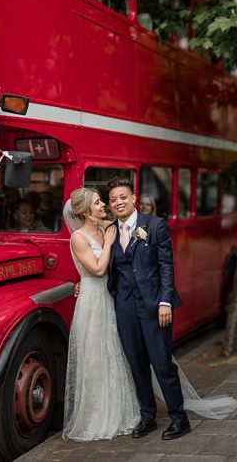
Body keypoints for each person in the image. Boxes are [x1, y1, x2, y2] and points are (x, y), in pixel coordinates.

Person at [105, 176, 237, 439]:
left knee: (162, 362)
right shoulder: (110, 230)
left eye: (122, 197)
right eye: (113, 200)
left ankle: (179, 418)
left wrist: (165, 301)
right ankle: (148, 416)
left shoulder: (154, 226)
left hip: (155, 305)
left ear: (133, 199)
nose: (118, 203)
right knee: (136, 363)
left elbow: (167, 266)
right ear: (110, 206)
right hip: (124, 307)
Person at [62, 187, 139, 440]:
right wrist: (107, 244)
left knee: (114, 352)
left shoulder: (108, 225)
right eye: (97, 202)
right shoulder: (78, 238)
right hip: (92, 301)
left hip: (111, 296)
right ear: (84, 210)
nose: (103, 204)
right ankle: (96, 416)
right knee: (96, 355)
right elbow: (96, 270)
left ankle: (119, 409)